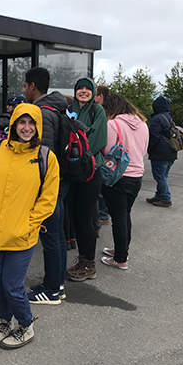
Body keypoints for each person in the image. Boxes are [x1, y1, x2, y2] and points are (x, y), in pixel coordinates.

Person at [0, 103, 59, 349]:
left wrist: (28, 224)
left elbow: (48, 199)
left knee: (12, 286)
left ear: (38, 127)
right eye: (22, 122)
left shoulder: (46, 158)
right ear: (13, 125)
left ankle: (25, 325)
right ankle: (4, 320)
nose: (27, 127)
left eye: (31, 123)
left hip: (22, 235)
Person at [23, 67, 69, 304]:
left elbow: (43, 153)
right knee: (58, 234)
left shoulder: (42, 112)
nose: (24, 90)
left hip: (50, 184)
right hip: (62, 180)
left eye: (24, 85)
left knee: (50, 235)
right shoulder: (59, 107)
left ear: (32, 86)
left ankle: (51, 290)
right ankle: (57, 283)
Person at [65, 77, 108, 282]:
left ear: (93, 92)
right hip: (72, 172)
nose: (83, 91)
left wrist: (79, 154)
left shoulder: (97, 111)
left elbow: (98, 139)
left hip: (90, 170)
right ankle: (82, 259)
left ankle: (89, 263)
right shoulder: (68, 109)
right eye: (80, 88)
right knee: (74, 216)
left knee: (85, 218)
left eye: (87, 88)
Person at [99, 94, 149, 270]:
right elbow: (143, 150)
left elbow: (107, 150)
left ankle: (121, 259)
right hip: (137, 176)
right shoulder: (143, 124)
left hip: (118, 177)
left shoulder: (112, 125)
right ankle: (122, 250)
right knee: (125, 214)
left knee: (118, 217)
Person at [147, 96, 177, 207]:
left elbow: (153, 136)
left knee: (159, 176)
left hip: (160, 152)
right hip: (171, 151)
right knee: (163, 175)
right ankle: (158, 195)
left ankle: (166, 198)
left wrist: (148, 147)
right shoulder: (169, 118)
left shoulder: (156, 119)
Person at [94, 85, 111, 227]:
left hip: (104, 156)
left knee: (101, 189)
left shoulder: (103, 113)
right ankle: (103, 214)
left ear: (100, 96)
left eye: (95, 95)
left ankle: (103, 215)